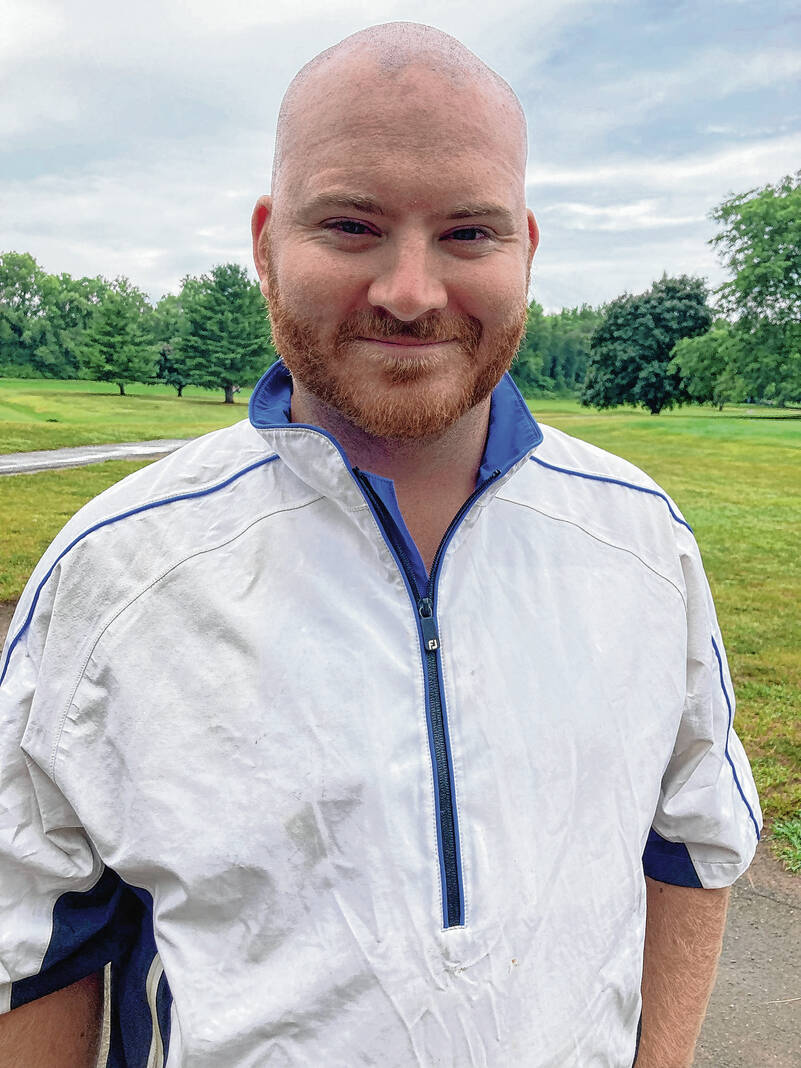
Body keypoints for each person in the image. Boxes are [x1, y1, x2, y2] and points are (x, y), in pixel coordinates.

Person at [0, 22, 761, 1068]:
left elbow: (692, 843)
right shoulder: (116, 570)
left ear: (526, 250)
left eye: (468, 233)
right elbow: (36, 939)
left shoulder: (640, 541)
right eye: (352, 225)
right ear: (266, 244)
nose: (410, 292)